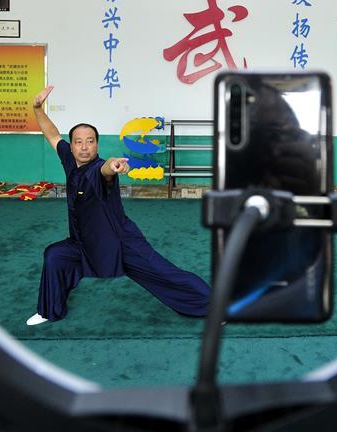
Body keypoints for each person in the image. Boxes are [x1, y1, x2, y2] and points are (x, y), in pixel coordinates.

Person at [26, 85, 210, 325]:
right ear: (71, 146)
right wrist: (37, 108)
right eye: (79, 142)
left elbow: (106, 169)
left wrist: (114, 166)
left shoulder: (97, 169)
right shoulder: (70, 160)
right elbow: (52, 134)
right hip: (84, 243)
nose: (84, 147)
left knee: (165, 274)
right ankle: (49, 310)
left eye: (90, 141)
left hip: (120, 242)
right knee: (55, 255)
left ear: (97, 144)